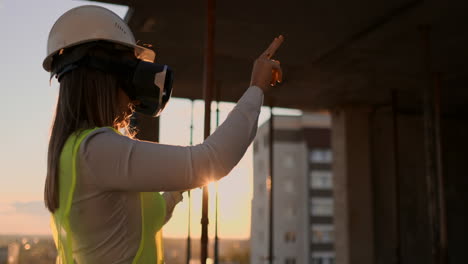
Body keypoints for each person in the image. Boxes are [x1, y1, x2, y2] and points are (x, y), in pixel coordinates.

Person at [43, 5, 283, 264]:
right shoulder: (97, 150)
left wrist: (180, 181)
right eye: (130, 73)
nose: (135, 95)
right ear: (108, 76)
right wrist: (256, 87)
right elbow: (213, 160)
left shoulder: (75, 151)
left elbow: (152, 216)